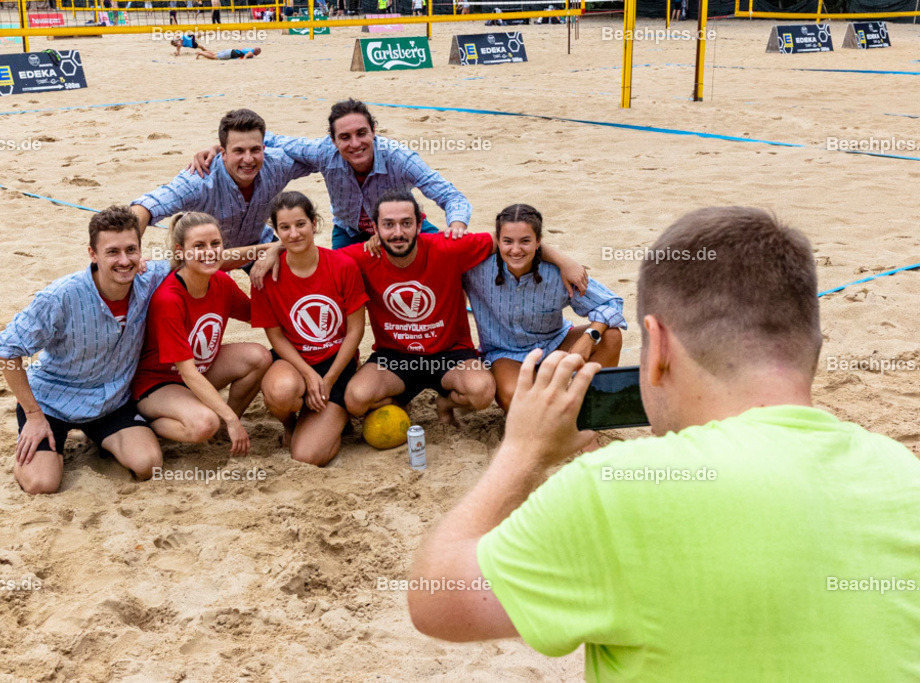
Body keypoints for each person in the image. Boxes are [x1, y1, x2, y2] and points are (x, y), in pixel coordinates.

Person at [406, 207, 920, 680]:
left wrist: (521, 452)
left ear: (659, 351)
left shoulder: (615, 490)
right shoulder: (904, 476)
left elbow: (436, 598)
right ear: (815, 345)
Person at [284, 188, 586, 426]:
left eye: (406, 223)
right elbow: (310, 254)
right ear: (375, 228)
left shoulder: (447, 247)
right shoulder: (361, 256)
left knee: (482, 393)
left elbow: (508, 241)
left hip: (450, 353)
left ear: (420, 223)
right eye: (388, 225)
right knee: (355, 400)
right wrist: (275, 250)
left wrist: (562, 259)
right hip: (396, 357)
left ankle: (445, 402)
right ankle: (401, 398)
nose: (398, 232)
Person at [0, 207, 170, 495]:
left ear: (141, 250)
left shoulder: (149, 277)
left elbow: (205, 258)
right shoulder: (60, 296)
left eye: (131, 250)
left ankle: (97, 437)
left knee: (148, 464)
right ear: (92, 254)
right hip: (51, 403)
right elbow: (5, 350)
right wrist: (34, 414)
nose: (124, 260)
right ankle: (40, 437)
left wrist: (270, 248)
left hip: (110, 401)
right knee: (42, 484)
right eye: (112, 252)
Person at [188, 99, 473, 250]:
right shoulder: (324, 152)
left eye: (362, 133)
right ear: (334, 140)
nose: (355, 143)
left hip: (403, 228)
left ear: (374, 132)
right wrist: (221, 147)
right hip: (349, 233)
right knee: (339, 291)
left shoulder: (399, 157)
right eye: (345, 137)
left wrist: (457, 224)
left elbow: (449, 195)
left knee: (454, 262)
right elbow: (273, 140)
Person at [132, 212, 271, 455]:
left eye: (215, 244)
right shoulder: (169, 299)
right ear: (180, 251)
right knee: (204, 424)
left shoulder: (221, 282)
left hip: (200, 370)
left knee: (259, 357)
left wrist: (273, 269)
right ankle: (147, 425)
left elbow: (257, 315)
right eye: (198, 246)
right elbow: (187, 372)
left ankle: (227, 426)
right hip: (159, 383)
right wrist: (228, 418)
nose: (209, 252)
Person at [464, 203, 626, 411]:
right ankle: (553, 403)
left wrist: (589, 338)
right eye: (507, 241)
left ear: (538, 241)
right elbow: (441, 247)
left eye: (525, 241)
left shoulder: (559, 272)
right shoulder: (477, 268)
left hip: (555, 343)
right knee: (519, 402)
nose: (515, 250)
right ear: (497, 240)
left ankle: (591, 410)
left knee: (610, 336)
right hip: (506, 353)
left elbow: (611, 302)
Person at [252, 192, 368, 466]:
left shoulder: (343, 265)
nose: (294, 233)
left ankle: (333, 419)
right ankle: (291, 424)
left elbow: (355, 331)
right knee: (281, 392)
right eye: (285, 227)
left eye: (300, 224)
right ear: (276, 231)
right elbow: (276, 335)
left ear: (314, 223)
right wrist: (307, 373)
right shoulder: (265, 275)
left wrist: (327, 380)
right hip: (294, 360)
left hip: (336, 364)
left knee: (307, 456)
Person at [131, 109, 312, 267]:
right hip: (205, 254)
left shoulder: (277, 164)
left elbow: (324, 155)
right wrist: (131, 252)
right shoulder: (199, 179)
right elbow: (145, 206)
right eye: (239, 151)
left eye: (255, 150)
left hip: (257, 243)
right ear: (223, 153)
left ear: (264, 148)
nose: (248, 159)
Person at [195, 46, 262, 60]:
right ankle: (200, 53)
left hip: (231, 50)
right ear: (257, 52)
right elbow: (247, 55)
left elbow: (240, 48)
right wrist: (244, 59)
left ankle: (202, 52)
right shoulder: (251, 52)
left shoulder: (249, 48)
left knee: (214, 53)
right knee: (214, 57)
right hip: (231, 54)